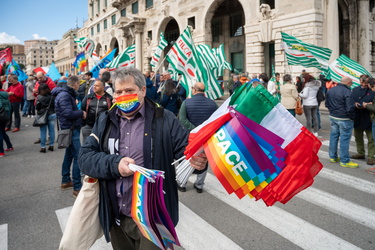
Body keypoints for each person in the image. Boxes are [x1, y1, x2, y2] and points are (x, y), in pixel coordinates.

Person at [78, 68, 207, 249]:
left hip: (153, 219)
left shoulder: (165, 119)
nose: (123, 96)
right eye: (118, 92)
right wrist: (115, 164)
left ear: (143, 90)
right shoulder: (105, 121)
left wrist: (199, 162)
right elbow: (84, 158)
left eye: (129, 91)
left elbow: (187, 153)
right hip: (117, 216)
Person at [178, 82, 218, 193]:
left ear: (194, 90)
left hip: (189, 137)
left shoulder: (186, 103)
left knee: (187, 158)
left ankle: (183, 183)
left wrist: (194, 129)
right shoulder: (212, 104)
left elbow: (182, 119)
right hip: (206, 138)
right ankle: (199, 184)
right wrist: (202, 131)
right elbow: (216, 120)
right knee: (204, 159)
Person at [52, 76, 86, 197]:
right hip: (71, 129)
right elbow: (68, 113)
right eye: (78, 84)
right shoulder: (65, 95)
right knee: (78, 157)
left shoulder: (64, 94)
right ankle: (77, 187)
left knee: (69, 155)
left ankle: (66, 181)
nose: (79, 86)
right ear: (75, 84)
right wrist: (81, 112)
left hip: (69, 128)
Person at [325, 76, 358, 168]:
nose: (351, 85)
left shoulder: (331, 90)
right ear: (348, 83)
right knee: (344, 139)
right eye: (351, 83)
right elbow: (350, 108)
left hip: (333, 116)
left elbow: (327, 104)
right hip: (344, 118)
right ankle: (344, 160)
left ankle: (333, 156)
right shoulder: (347, 92)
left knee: (334, 136)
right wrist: (352, 117)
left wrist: (333, 111)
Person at [350, 75, 375, 165]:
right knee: (358, 137)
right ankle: (360, 153)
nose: (364, 84)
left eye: (366, 83)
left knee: (371, 138)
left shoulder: (372, 90)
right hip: (358, 116)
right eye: (362, 82)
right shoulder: (355, 89)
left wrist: (368, 105)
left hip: (369, 116)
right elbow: (350, 99)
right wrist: (354, 104)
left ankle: (371, 156)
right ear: (359, 81)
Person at [36, 83, 56, 153]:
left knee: (43, 131)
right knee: (52, 131)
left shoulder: (39, 97)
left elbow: (37, 107)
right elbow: (55, 106)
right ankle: (51, 145)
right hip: (52, 114)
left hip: (42, 115)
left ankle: (43, 146)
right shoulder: (52, 96)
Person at [0, 82, 13, 157]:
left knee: (0, 133)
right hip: (5, 114)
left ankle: (1, 151)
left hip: (0, 114)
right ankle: (9, 146)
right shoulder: (5, 93)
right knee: (3, 131)